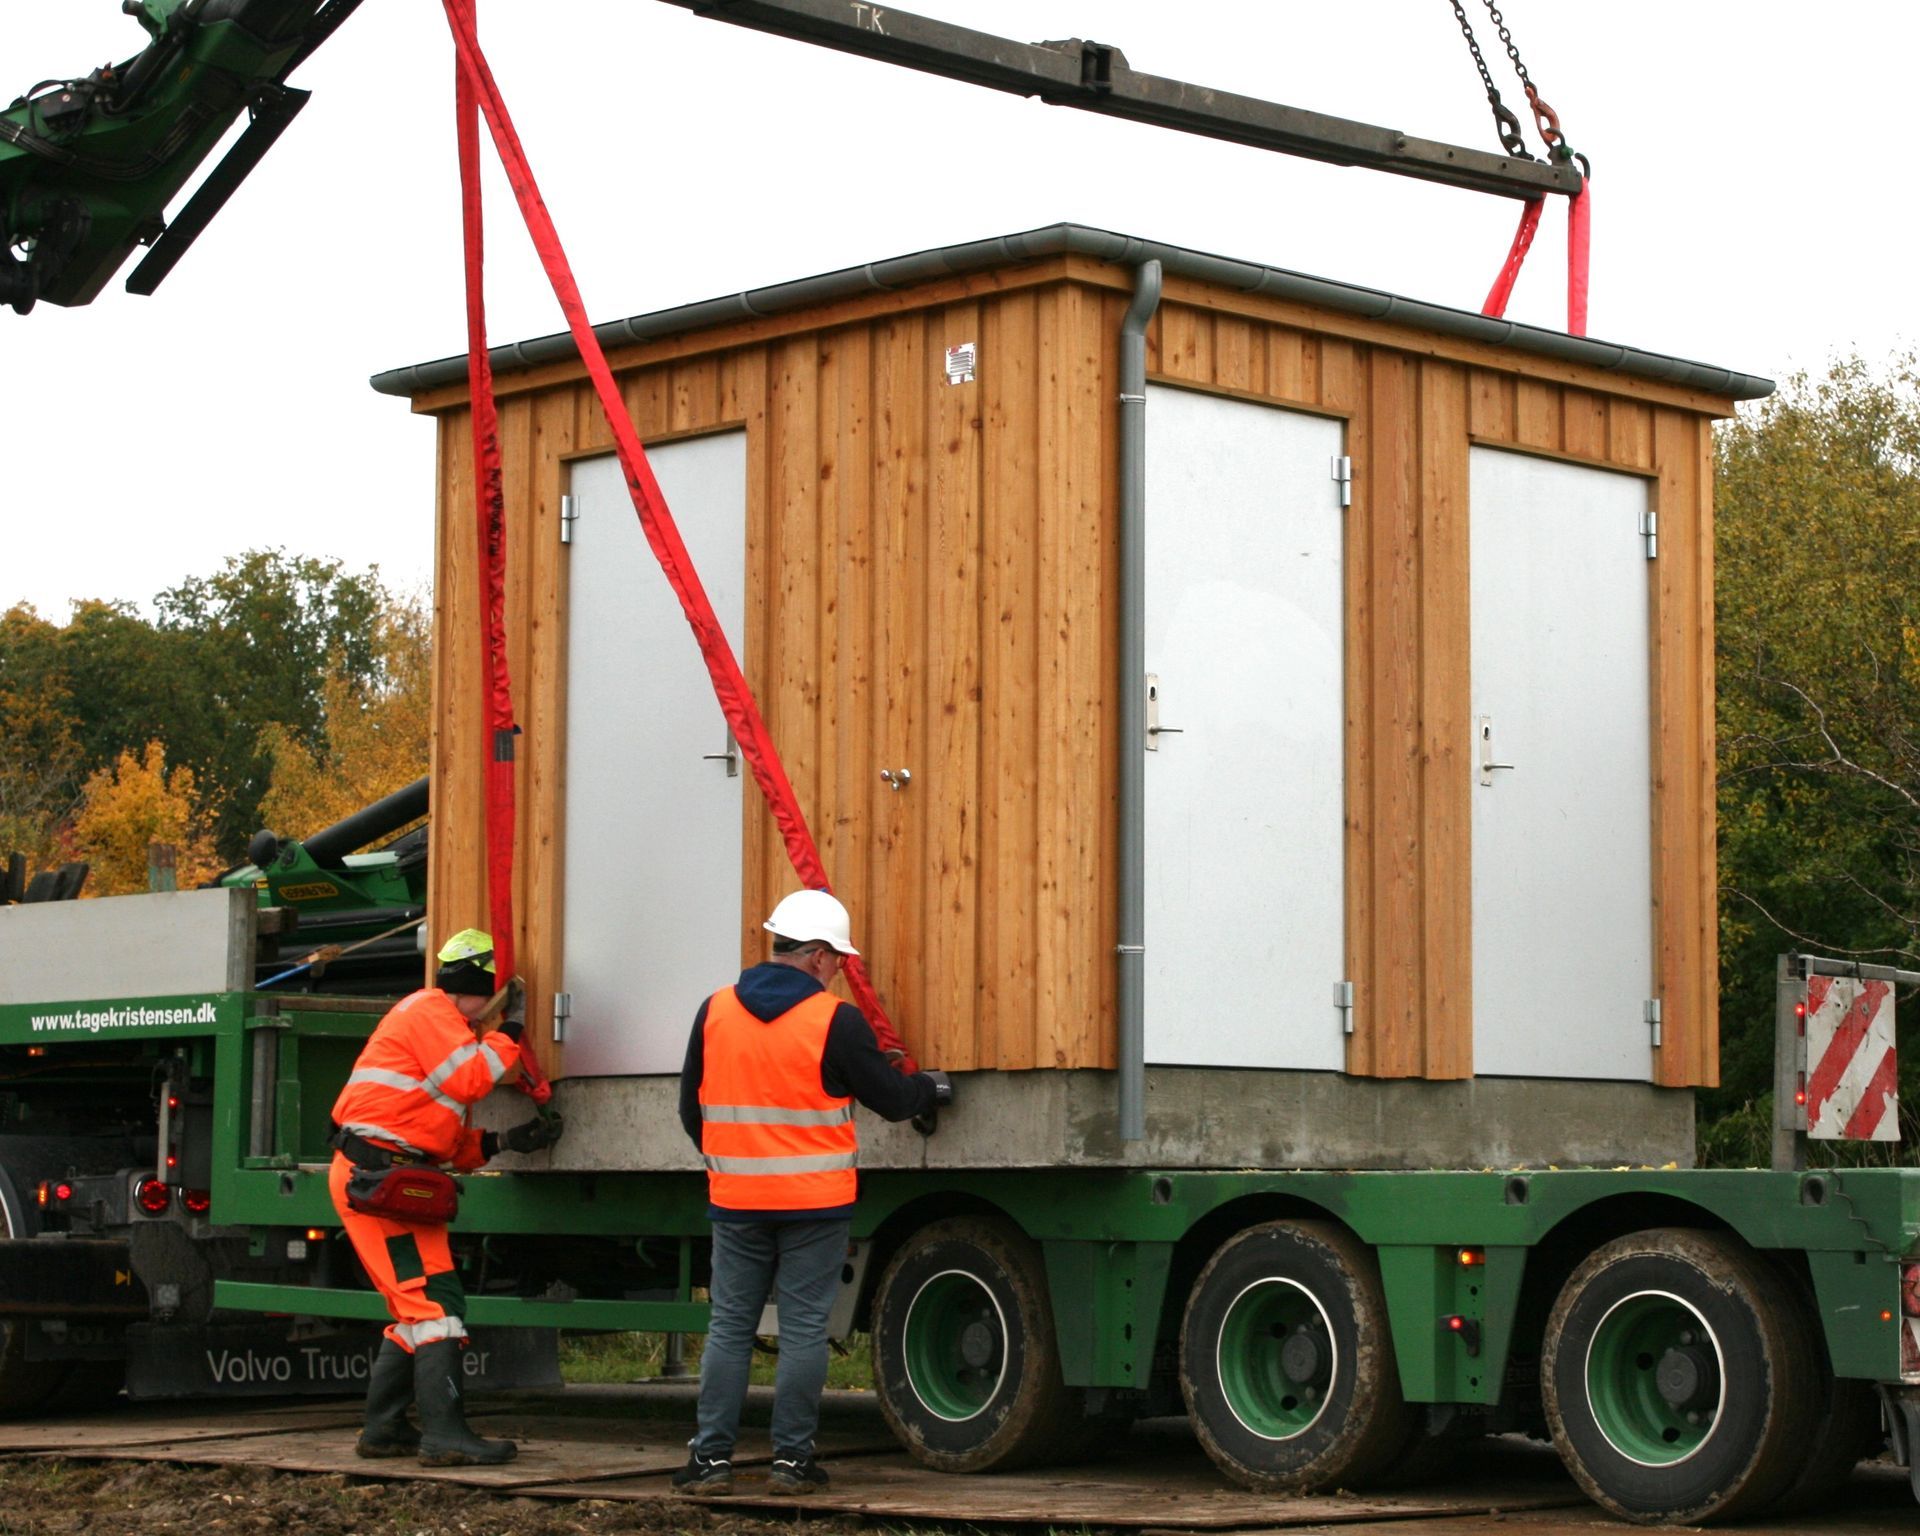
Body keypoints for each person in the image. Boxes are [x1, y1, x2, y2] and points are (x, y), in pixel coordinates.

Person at [674, 889, 952, 1496]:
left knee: (728, 1328)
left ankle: (711, 1460)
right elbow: (892, 1100)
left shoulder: (714, 1010)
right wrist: (927, 1087)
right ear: (820, 956)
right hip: (814, 1205)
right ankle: (791, 1463)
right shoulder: (835, 1021)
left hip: (737, 1201)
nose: (839, 973)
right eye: (839, 962)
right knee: (801, 1331)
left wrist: (733, 1160)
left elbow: (690, 1109)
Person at [328, 927, 562, 1467]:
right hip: (380, 1183)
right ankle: (445, 1436)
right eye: (495, 994)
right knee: (433, 1309)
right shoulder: (431, 1011)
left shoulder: (441, 1025)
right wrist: (513, 1031)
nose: (494, 1008)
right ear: (476, 986)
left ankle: (385, 1431)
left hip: (391, 1181)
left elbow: (447, 1142)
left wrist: (505, 1142)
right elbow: (472, 1079)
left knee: (424, 1311)